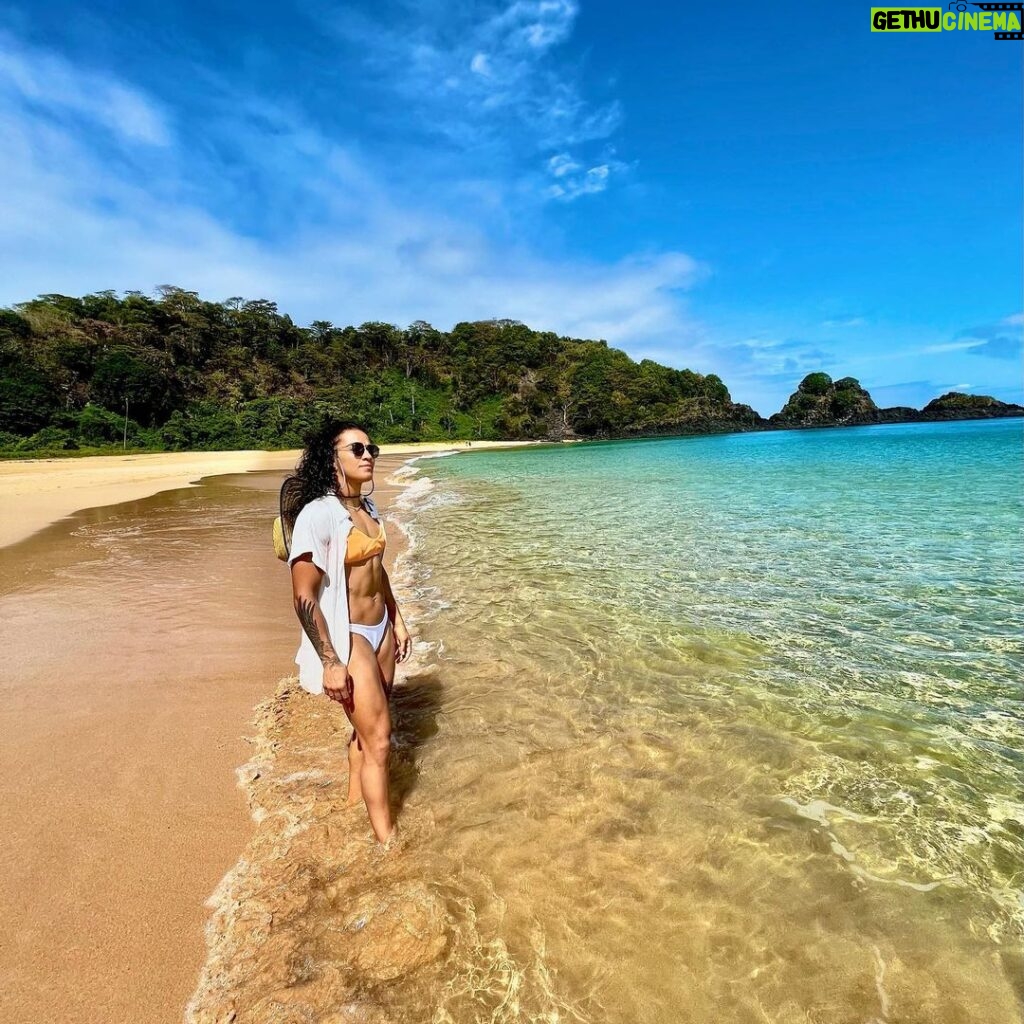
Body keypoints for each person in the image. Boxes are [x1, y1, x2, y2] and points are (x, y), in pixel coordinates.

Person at [287, 420, 413, 845]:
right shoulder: (317, 515)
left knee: (366, 730)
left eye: (371, 448)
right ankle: (388, 843)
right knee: (379, 740)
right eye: (356, 449)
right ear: (332, 459)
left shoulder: (368, 509)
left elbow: (377, 573)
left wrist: (396, 618)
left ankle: (350, 802)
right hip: (350, 636)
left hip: (380, 632)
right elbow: (303, 596)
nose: (368, 455)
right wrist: (329, 660)